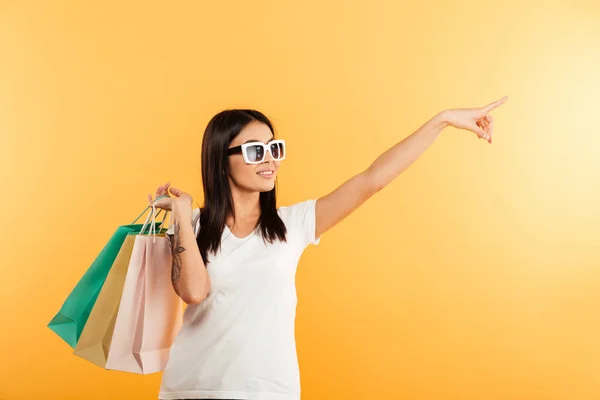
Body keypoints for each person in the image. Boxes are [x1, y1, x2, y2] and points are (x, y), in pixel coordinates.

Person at [149, 98, 508, 400]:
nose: (270, 159)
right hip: (191, 389)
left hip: (266, 390)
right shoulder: (192, 225)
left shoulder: (293, 224)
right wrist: (182, 212)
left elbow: (372, 179)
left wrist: (441, 120)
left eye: (275, 148)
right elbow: (193, 291)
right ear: (220, 159)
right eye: (256, 151)